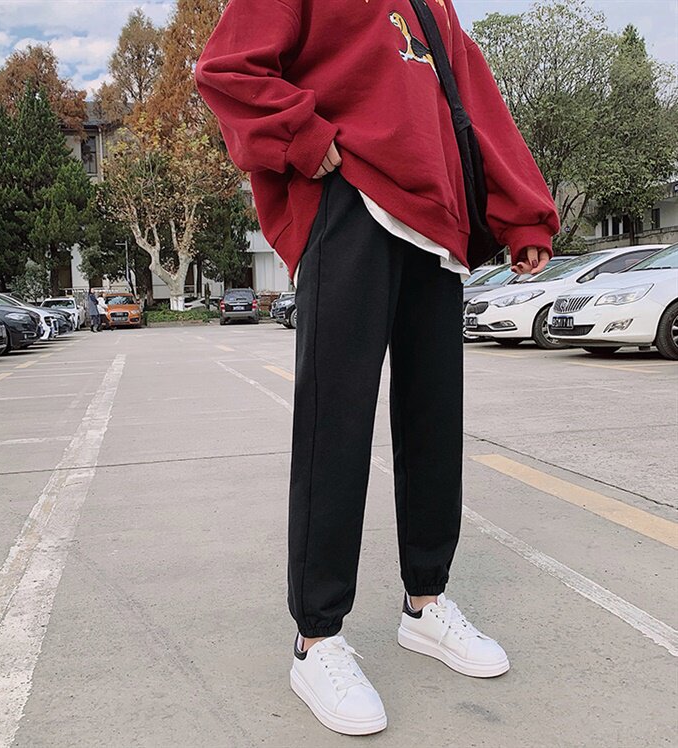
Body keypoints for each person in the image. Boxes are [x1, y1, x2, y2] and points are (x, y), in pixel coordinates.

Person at [196, 0, 559, 736]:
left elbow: (475, 104)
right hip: (351, 202)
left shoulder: (436, 5)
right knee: (335, 425)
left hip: (437, 222)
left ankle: (426, 604)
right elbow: (227, 68)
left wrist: (522, 210)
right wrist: (305, 136)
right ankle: (317, 638)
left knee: (434, 423)